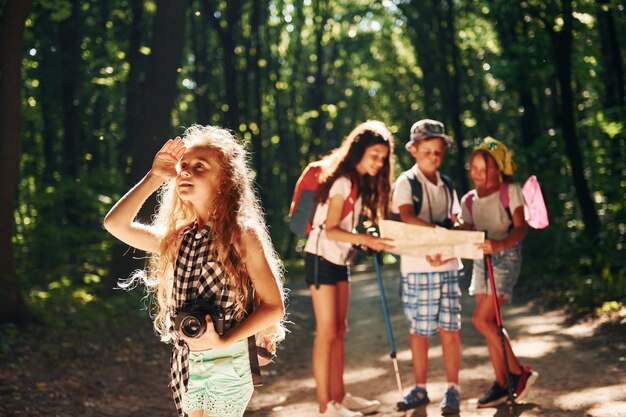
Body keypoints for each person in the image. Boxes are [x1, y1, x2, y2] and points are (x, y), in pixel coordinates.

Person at [103, 125, 286, 417]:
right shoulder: (178, 238)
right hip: (186, 359)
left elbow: (274, 307)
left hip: (228, 355)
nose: (186, 172)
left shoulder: (241, 235)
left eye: (199, 166)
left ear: (224, 181)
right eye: (183, 166)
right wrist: (155, 177)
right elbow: (115, 225)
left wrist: (223, 340)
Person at [304, 120, 395, 417]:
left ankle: (339, 398)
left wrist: (361, 240)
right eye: (375, 156)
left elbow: (342, 230)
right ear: (358, 151)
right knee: (327, 332)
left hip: (339, 260)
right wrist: (364, 238)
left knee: (340, 330)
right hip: (320, 258)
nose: (379, 163)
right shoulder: (342, 181)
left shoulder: (356, 182)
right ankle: (324, 406)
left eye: (383, 158)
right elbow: (330, 229)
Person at [459, 137, 539, 408]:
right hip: (482, 260)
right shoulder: (468, 200)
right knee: (490, 322)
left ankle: (518, 373)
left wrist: (500, 243)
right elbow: (467, 230)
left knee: (481, 320)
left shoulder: (510, 191)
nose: (478, 174)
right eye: (473, 168)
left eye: (484, 168)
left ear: (498, 169)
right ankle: (502, 383)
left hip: (505, 256)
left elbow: (520, 228)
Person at [391, 119, 463, 414]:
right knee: (419, 331)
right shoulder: (407, 182)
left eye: (439, 150)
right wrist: (440, 235)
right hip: (418, 267)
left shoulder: (446, 184)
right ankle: (420, 389)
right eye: (428, 150)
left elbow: (456, 219)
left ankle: (453, 389)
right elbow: (406, 217)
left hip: (447, 265)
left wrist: (450, 239)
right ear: (414, 150)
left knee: (450, 329)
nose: (434, 156)